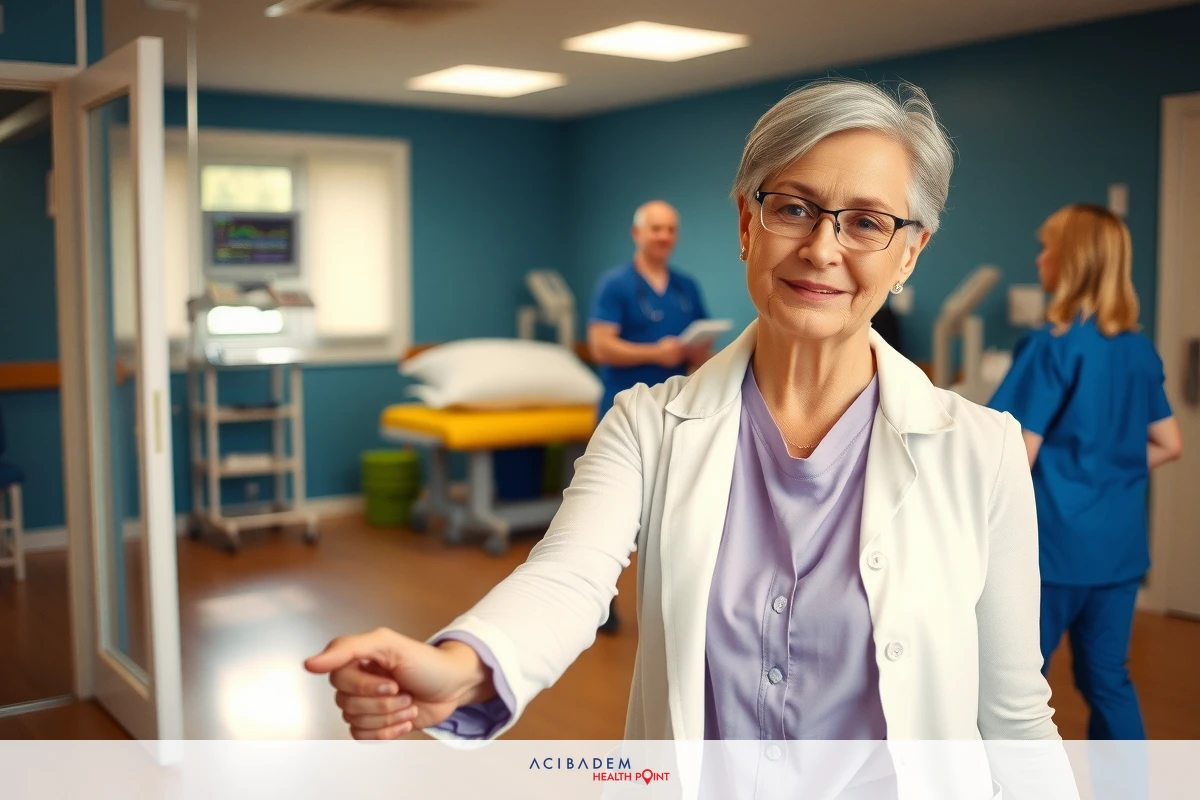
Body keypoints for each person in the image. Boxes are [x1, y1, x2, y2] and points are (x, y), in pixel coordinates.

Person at [305, 79, 1064, 747]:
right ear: (746, 223)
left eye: (866, 222)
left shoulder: (983, 450)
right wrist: (461, 666)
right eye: (793, 208)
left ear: (909, 253)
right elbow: (567, 579)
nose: (823, 247)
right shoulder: (644, 425)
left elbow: (1014, 716)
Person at [988, 204, 1184, 740]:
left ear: (1072, 261)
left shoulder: (1049, 348)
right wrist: (1103, 464)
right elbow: (1170, 444)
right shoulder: (1137, 351)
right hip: (1117, 551)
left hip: (1051, 550)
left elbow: (1014, 457)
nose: (1040, 257)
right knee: (1107, 680)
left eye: (1048, 247)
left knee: (1017, 687)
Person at [586, 199, 712, 633]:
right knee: (615, 512)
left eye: (671, 229)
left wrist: (695, 350)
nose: (664, 237)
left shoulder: (686, 286)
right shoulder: (615, 285)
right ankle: (602, 601)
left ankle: (669, 604)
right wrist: (655, 352)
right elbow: (601, 346)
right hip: (622, 411)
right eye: (656, 228)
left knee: (668, 511)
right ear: (637, 233)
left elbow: (702, 349)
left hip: (673, 411)